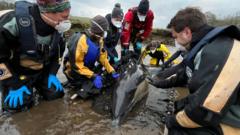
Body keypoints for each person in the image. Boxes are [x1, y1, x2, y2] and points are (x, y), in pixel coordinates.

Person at [149, 7, 240, 135]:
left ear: (186, 32)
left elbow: (203, 112)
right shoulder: (205, 46)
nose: (175, 41)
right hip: (224, 108)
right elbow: (185, 75)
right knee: (179, 106)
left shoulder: (218, 52)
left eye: (175, 36)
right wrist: (159, 82)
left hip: (234, 122)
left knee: (176, 129)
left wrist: (172, 121)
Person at [0, 0, 71, 112]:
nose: (67, 21)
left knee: (56, 94)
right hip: (16, 74)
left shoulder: (58, 28)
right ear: (47, 12)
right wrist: (12, 83)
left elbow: (59, 54)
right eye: (64, 17)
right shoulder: (13, 23)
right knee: (18, 106)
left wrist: (52, 73)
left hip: (41, 72)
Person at [63, 15, 120, 99]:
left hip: (86, 68)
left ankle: (86, 80)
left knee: (102, 79)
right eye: (103, 31)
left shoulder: (99, 40)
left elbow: (102, 58)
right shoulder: (81, 40)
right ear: (98, 31)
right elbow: (76, 65)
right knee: (92, 89)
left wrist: (111, 70)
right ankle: (74, 84)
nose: (105, 33)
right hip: (74, 70)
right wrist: (93, 76)